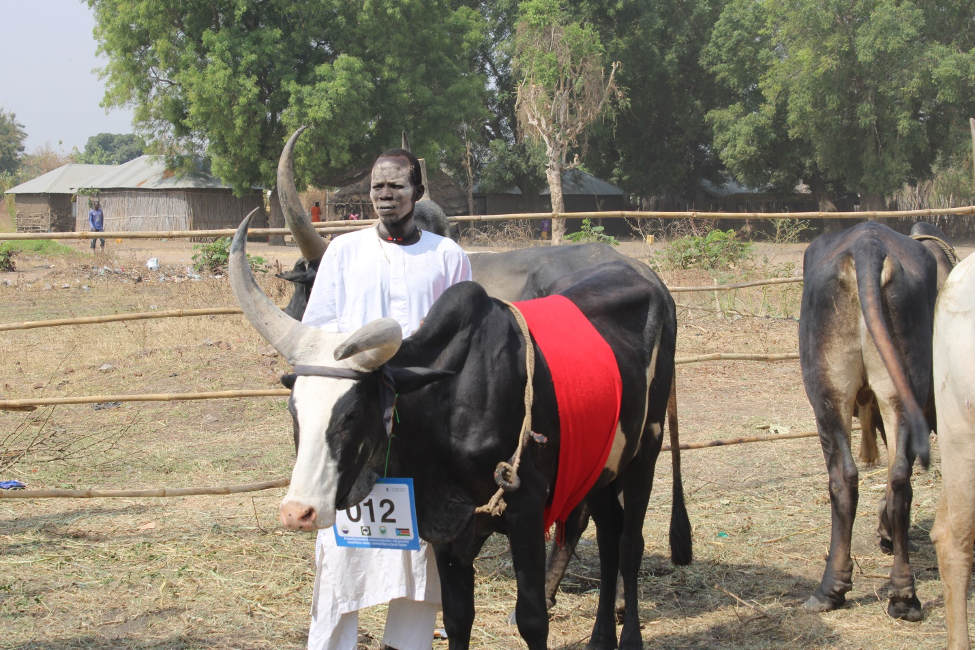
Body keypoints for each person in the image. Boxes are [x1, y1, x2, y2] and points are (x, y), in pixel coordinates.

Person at [301, 148, 472, 650]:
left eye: (396, 185)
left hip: (423, 424)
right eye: (377, 185)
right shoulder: (343, 252)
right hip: (356, 422)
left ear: (418, 192)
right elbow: (318, 331)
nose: (384, 194)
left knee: (420, 547)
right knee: (339, 545)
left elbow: (463, 338)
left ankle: (410, 644)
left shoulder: (447, 255)